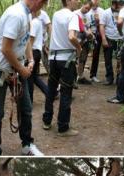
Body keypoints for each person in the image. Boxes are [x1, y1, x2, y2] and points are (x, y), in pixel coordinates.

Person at [0, 0, 47, 156]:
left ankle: (27, 144)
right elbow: (5, 49)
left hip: (16, 68)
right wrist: (21, 69)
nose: (43, 7)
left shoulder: (26, 15)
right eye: (43, 3)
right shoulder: (16, 14)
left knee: (26, 108)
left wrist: (31, 59)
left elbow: (25, 40)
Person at [42, 0, 81, 137]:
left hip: (53, 59)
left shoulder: (56, 14)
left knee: (51, 90)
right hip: (66, 60)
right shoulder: (73, 16)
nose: (79, 1)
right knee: (65, 92)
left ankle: (47, 121)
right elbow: (71, 36)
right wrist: (79, 47)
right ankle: (63, 127)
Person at [99, 0, 123, 86]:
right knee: (107, 59)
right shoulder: (106, 12)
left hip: (120, 39)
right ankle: (109, 78)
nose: (118, 7)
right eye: (116, 5)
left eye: (119, 5)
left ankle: (119, 78)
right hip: (109, 38)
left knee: (120, 59)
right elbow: (101, 25)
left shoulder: (122, 12)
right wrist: (103, 39)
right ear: (113, 4)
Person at [28, 10, 49, 103]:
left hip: (33, 51)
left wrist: (28, 55)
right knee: (34, 77)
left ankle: (29, 100)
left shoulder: (34, 22)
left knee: (29, 77)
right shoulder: (38, 22)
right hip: (37, 51)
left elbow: (31, 40)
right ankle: (50, 93)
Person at [75, 0, 95, 85]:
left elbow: (89, 26)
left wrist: (90, 33)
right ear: (83, 5)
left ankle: (80, 76)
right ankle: (73, 77)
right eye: (86, 8)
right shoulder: (75, 13)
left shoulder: (89, 15)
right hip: (77, 40)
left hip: (86, 40)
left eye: (89, 9)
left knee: (83, 59)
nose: (87, 10)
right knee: (75, 58)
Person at [88, 0, 105, 83]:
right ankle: (79, 75)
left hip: (97, 35)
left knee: (95, 55)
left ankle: (93, 75)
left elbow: (104, 24)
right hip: (87, 35)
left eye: (95, 1)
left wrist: (98, 21)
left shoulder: (102, 11)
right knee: (82, 55)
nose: (94, 3)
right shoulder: (87, 10)